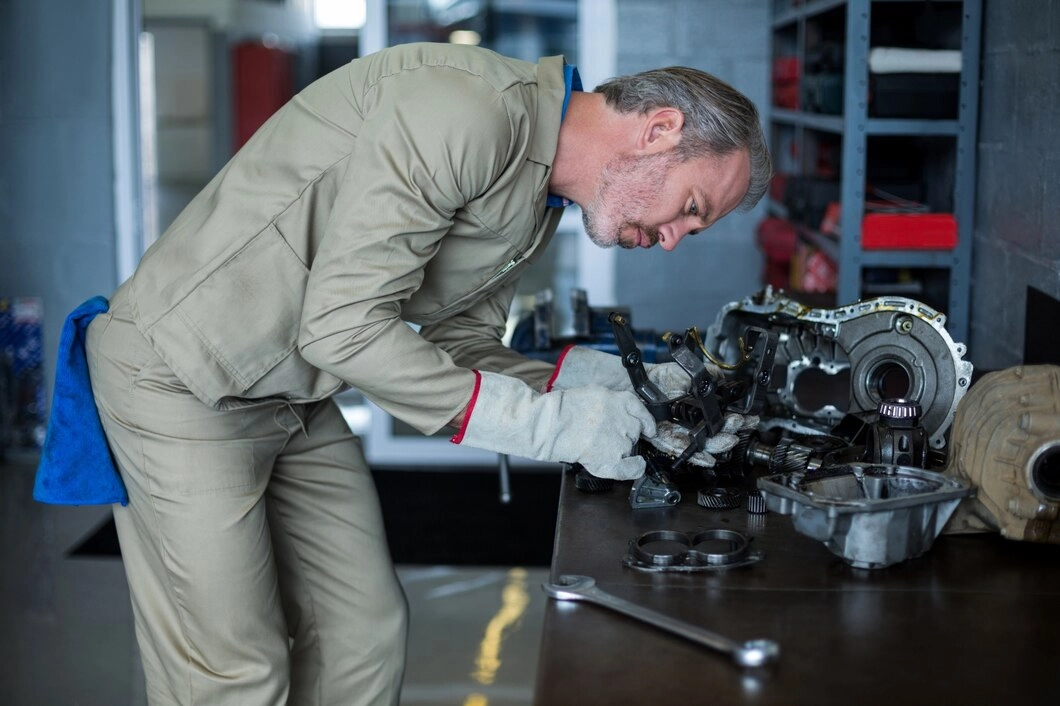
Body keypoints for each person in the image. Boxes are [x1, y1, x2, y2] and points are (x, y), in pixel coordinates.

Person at [84, 42, 770, 704]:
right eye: (691, 209)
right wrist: (547, 424)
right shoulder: (467, 113)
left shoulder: (536, 199)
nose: (675, 238)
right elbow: (343, 326)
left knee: (362, 633)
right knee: (235, 672)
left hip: (290, 388)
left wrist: (616, 388)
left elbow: (462, 342)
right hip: (180, 379)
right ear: (659, 129)